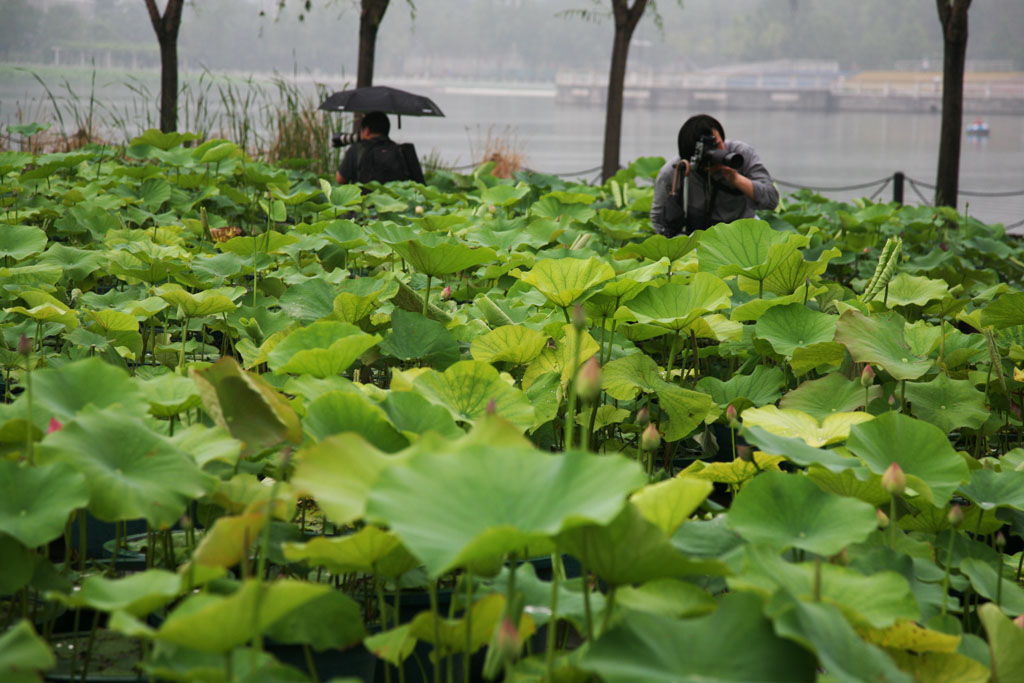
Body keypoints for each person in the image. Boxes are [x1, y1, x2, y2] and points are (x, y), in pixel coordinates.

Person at [650, 114, 778, 236]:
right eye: (709, 150)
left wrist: (736, 178)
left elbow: (772, 200)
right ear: (691, 157)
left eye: (718, 144)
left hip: (742, 234)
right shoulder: (676, 171)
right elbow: (658, 218)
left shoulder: (740, 154)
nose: (717, 152)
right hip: (695, 237)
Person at [335, 111, 424, 185]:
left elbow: (340, 179)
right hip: (398, 203)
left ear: (367, 130)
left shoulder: (357, 149)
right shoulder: (400, 150)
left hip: (364, 203)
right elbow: (418, 182)